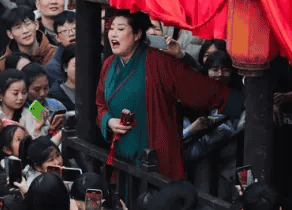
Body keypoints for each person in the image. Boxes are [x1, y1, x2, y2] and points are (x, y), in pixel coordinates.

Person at [97, 10, 242, 179]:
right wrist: (108, 121)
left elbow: (194, 86)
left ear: (137, 34)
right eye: (111, 28)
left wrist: (237, 102)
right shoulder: (108, 64)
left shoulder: (158, 62)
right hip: (121, 154)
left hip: (154, 155)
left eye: (120, 29)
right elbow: (100, 103)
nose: (113, 33)